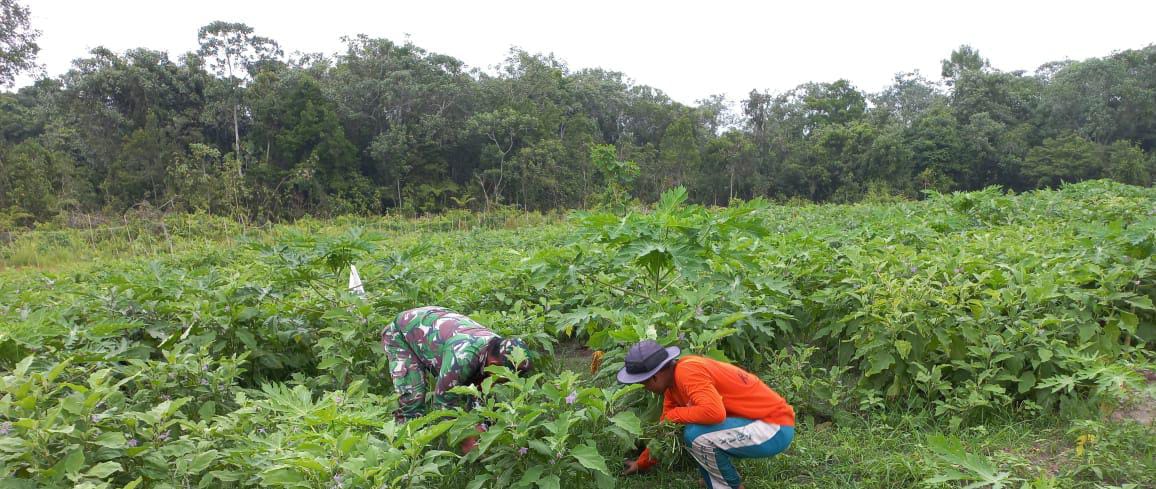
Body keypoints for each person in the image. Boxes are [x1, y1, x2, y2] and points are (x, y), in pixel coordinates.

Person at [618, 340, 795, 489]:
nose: (645, 388)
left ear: (655, 377)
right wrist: (641, 463)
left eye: (643, 384)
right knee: (694, 430)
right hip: (757, 424)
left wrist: (676, 414)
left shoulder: (688, 372)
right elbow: (665, 427)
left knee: (696, 435)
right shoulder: (672, 388)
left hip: (774, 428)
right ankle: (715, 480)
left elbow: (714, 413)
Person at [382, 306, 531, 424]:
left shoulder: (500, 346)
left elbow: (479, 391)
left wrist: (481, 424)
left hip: (437, 321)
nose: (507, 380)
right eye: (505, 377)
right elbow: (443, 405)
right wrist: (462, 438)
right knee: (413, 398)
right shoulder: (462, 358)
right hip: (403, 332)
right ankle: (403, 450)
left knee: (480, 396)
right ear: (493, 363)